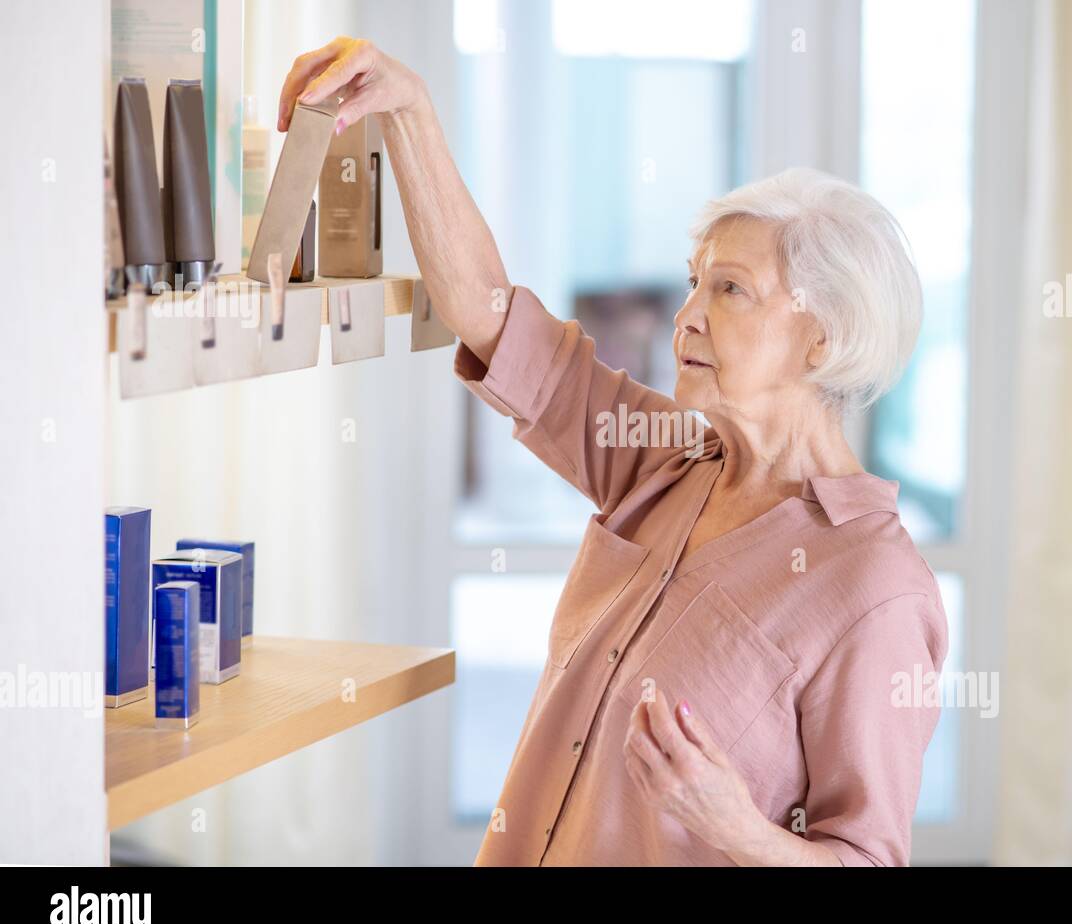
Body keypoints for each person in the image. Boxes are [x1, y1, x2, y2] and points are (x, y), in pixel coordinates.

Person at [278, 36, 948, 866]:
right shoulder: (661, 458)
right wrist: (410, 113)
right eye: (694, 280)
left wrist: (735, 828)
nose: (687, 314)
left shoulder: (873, 586)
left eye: (730, 289)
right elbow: (491, 318)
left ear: (822, 337)